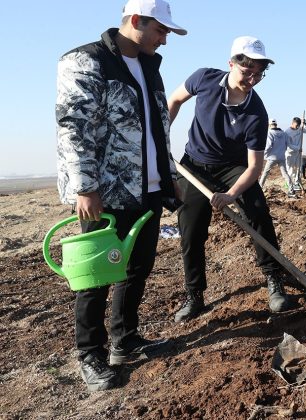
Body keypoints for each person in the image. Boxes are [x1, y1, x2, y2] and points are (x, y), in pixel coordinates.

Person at [55, 0, 186, 391]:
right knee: (95, 278)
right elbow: (73, 126)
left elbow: (158, 129)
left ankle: (125, 339)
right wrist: (86, 187)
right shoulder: (86, 60)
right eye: (160, 30)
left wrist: (169, 176)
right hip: (104, 192)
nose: (164, 39)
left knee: (137, 267)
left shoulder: (149, 66)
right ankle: (89, 354)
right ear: (135, 21)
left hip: (146, 189)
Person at [168, 36, 294, 323]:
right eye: (246, 70)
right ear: (231, 63)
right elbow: (173, 101)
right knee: (190, 229)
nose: (252, 78)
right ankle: (194, 294)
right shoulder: (204, 79)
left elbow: (254, 167)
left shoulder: (256, 113)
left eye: (258, 73)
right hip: (195, 165)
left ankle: (274, 279)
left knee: (258, 212)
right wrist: (160, 138)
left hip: (235, 168)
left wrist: (231, 194)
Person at [259, 119, 295, 197]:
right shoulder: (284, 133)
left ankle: (259, 189)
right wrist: (298, 148)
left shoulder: (270, 133)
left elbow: (268, 146)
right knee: (285, 174)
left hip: (272, 157)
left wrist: (264, 155)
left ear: (269, 125)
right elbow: (288, 144)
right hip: (281, 157)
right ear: (276, 124)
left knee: (265, 173)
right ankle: (291, 191)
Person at [285, 116, 306, 190]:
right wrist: (298, 148)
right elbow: (288, 145)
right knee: (291, 170)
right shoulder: (287, 132)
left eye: (298, 125)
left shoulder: (299, 129)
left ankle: (296, 183)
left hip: (298, 153)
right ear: (292, 123)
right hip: (290, 153)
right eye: (296, 125)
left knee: (299, 169)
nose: (297, 127)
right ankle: (289, 184)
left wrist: (305, 123)